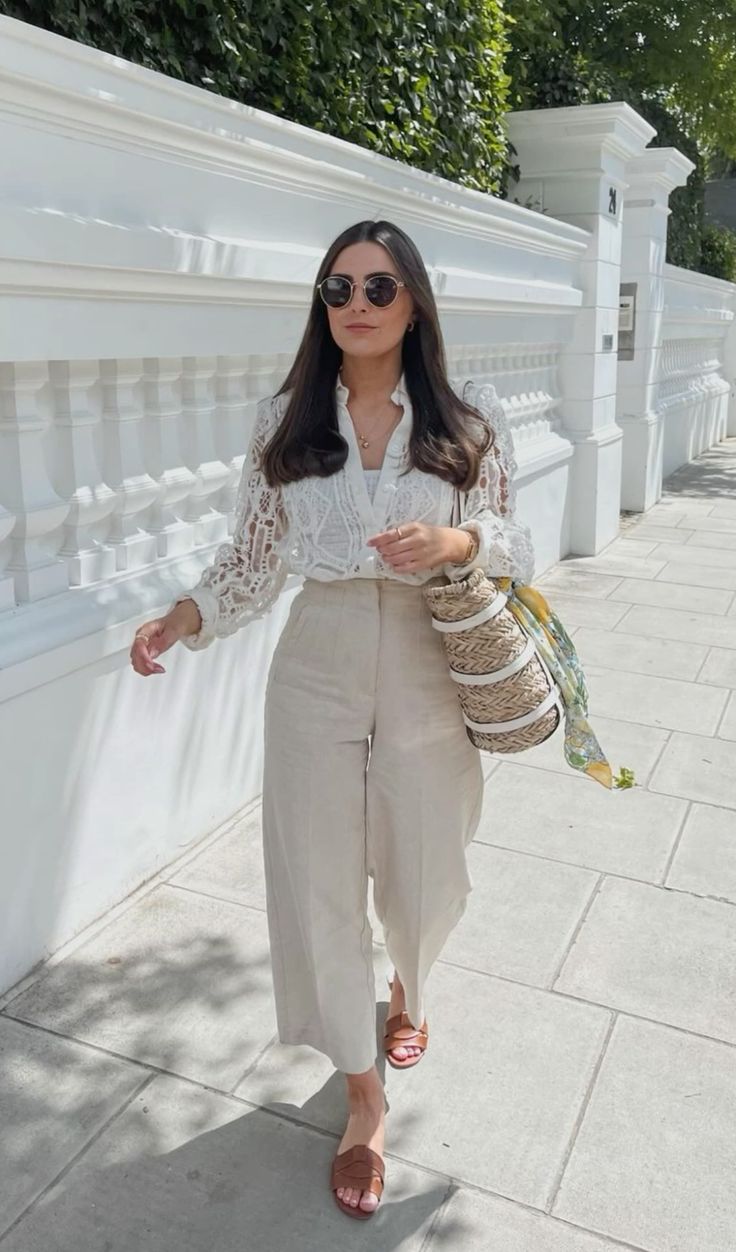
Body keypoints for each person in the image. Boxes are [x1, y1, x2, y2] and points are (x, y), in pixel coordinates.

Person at [129, 218, 535, 1220]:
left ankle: (410, 987)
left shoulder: (466, 416)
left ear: (414, 303)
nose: (354, 304)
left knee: (427, 870)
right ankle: (362, 1093)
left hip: (428, 659)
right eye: (337, 288)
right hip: (315, 658)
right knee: (315, 879)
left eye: (377, 288)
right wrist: (185, 616)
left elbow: (517, 538)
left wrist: (456, 536)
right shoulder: (284, 419)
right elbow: (253, 559)